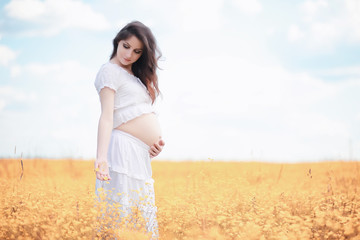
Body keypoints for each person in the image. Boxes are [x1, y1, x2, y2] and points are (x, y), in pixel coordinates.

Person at [94, 21, 164, 239]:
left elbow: (136, 114)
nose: (129, 54)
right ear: (117, 42)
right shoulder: (109, 71)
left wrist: (151, 147)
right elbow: (107, 117)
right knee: (121, 213)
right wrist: (101, 158)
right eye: (126, 46)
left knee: (138, 215)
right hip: (121, 150)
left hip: (137, 155)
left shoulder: (134, 76)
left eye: (137, 51)